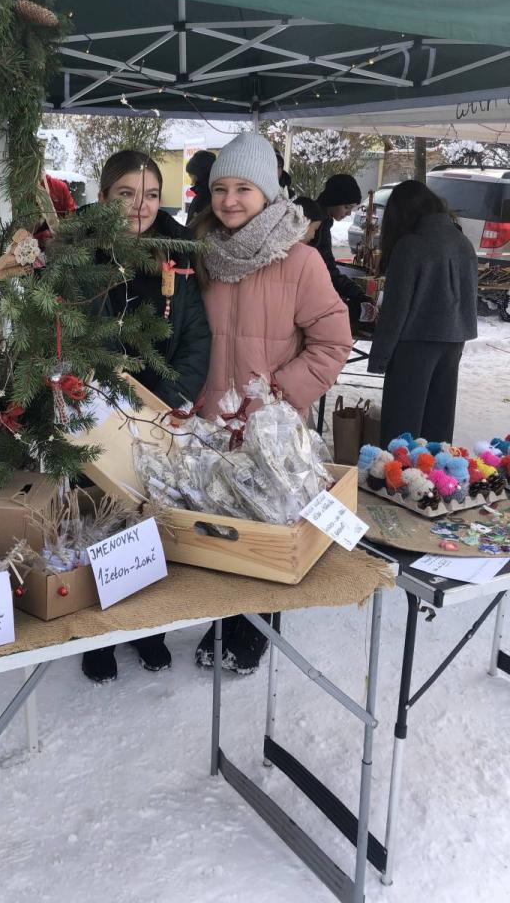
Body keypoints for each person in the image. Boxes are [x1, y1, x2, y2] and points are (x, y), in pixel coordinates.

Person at [190, 133, 352, 673]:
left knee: (269, 528)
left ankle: (257, 626)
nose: (230, 200)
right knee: (221, 527)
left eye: (243, 189)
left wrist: (277, 396)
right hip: (211, 422)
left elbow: (332, 342)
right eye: (220, 189)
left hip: (273, 430)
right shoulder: (202, 255)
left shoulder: (300, 261)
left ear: (267, 192)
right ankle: (223, 620)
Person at [82, 149, 211, 683]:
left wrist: (170, 400)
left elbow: (196, 335)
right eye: (126, 194)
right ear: (103, 197)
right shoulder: (78, 252)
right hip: (96, 412)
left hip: (158, 414)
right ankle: (100, 635)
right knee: (97, 523)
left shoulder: (178, 253)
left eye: (152, 195)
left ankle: (147, 628)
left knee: (151, 524)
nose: (140, 206)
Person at [368, 180, 477, 444]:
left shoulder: (410, 246)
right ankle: (434, 471)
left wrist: (379, 357)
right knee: (438, 425)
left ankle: (399, 470)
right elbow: (469, 298)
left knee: (402, 427)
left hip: (413, 344)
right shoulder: (463, 242)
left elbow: (396, 309)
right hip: (453, 342)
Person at [313, 174, 376, 325]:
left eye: (351, 208)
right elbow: (327, 270)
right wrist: (358, 294)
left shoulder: (322, 220)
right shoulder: (317, 224)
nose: (348, 213)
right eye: (346, 207)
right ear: (333, 200)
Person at [185, 149, 216, 225]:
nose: (191, 183)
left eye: (191, 176)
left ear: (200, 175)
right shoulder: (213, 194)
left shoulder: (203, 198)